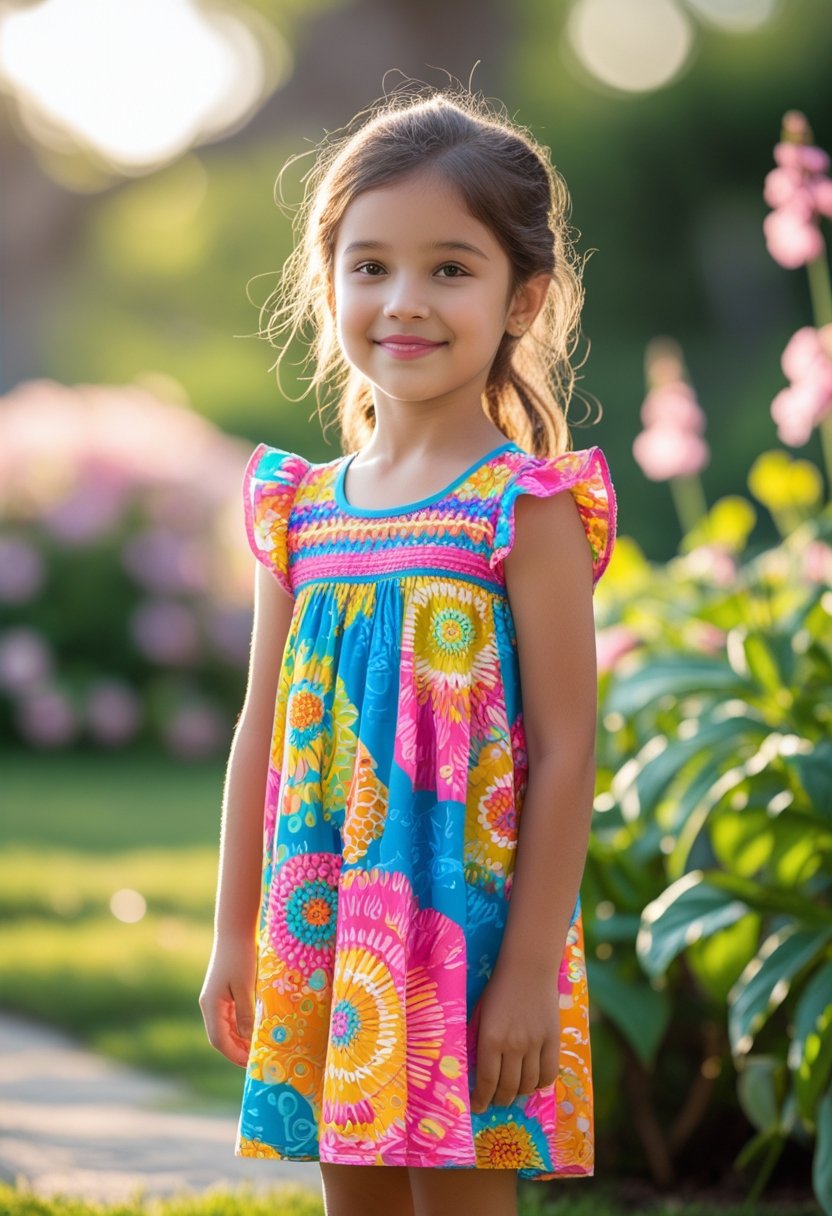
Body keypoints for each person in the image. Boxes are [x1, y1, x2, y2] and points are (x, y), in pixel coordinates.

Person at [200, 83, 618, 1216]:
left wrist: (529, 968)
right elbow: (258, 731)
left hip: (467, 936)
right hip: (327, 923)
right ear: (328, 279)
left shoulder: (521, 509)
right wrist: (234, 928)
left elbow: (568, 747)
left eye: (450, 267)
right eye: (370, 265)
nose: (404, 301)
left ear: (521, 296)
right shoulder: (298, 509)